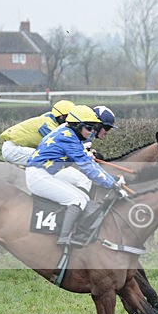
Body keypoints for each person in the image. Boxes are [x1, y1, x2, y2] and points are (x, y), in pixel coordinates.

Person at [25, 104, 125, 247]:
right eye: (90, 128)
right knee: (78, 200)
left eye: (93, 128)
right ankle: (64, 238)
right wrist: (111, 184)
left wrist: (111, 180)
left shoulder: (71, 135)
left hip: (44, 172)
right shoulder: (69, 139)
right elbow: (88, 167)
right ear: (78, 126)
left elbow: (90, 165)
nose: (92, 131)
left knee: (83, 197)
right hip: (38, 175)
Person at [0, 100, 76, 166]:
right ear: (61, 117)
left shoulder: (50, 120)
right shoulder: (47, 125)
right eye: (70, 119)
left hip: (17, 148)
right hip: (13, 149)